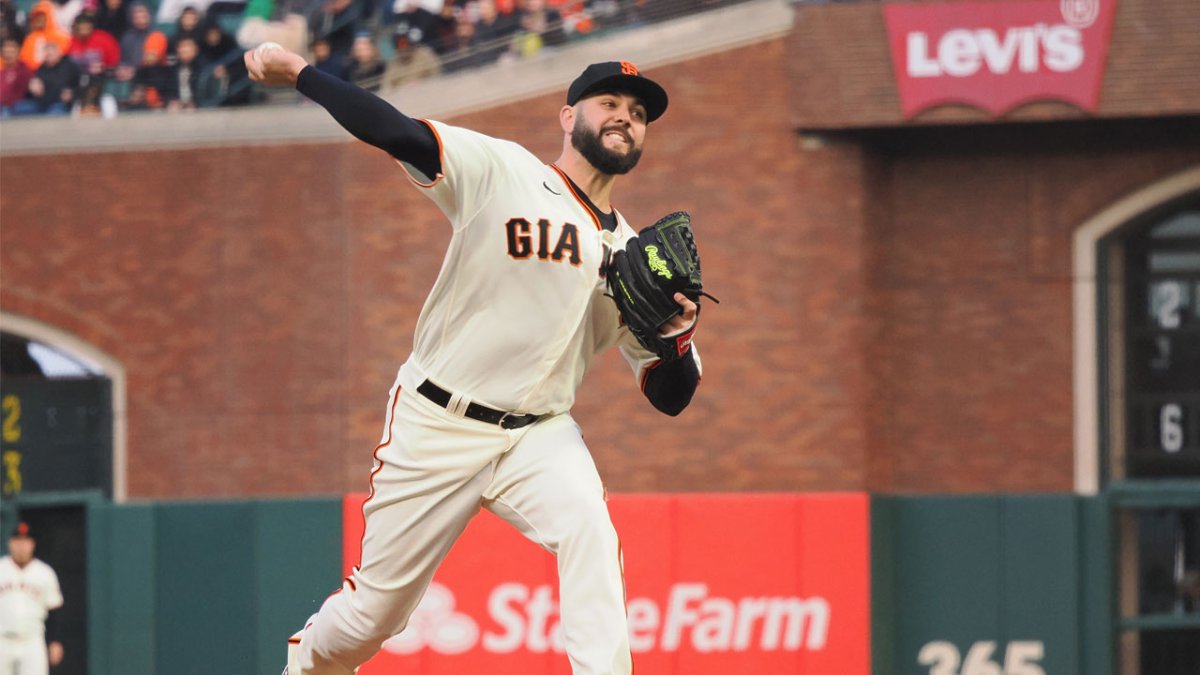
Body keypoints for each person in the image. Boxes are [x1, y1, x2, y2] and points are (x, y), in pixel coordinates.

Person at [247, 44, 698, 675]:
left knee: (588, 531)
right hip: (438, 420)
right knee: (371, 619)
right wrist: (302, 74)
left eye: (639, 113)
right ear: (568, 117)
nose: (626, 117)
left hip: (538, 433)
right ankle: (306, 666)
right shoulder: (503, 171)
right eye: (609, 104)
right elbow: (396, 132)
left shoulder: (634, 256)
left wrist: (676, 337)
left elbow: (671, 394)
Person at [0, 522, 64, 675]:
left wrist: (55, 641)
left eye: (25, 541)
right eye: (17, 541)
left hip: (32, 640)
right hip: (2, 639)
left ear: (32, 544)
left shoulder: (44, 572)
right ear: (10, 543)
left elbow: (54, 609)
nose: (21, 546)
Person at [18, 0, 72, 70]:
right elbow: (23, 60)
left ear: (48, 15)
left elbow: (64, 60)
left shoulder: (62, 37)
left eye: (41, 16)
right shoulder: (30, 38)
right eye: (35, 16)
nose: (38, 19)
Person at [0, 36, 33, 115]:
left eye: (11, 52)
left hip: (13, 109)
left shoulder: (24, 70)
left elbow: (19, 94)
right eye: (6, 52)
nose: (8, 56)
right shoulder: (2, 72)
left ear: (18, 53)